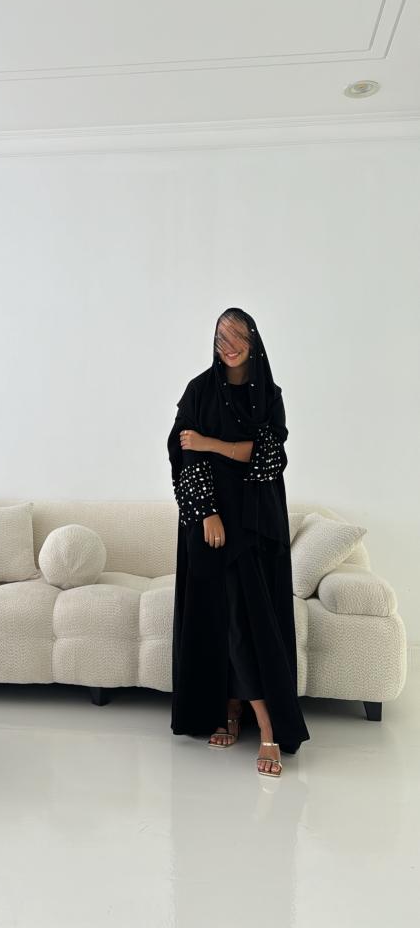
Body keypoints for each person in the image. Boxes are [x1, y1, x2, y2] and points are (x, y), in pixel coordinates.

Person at [167, 307, 310, 776]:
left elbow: (267, 457)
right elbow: (181, 453)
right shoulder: (199, 390)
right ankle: (233, 709)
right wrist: (207, 511)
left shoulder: (269, 395)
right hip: (209, 522)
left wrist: (210, 444)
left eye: (237, 337)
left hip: (255, 524)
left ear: (253, 341)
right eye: (221, 338)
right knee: (220, 616)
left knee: (247, 619)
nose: (228, 347)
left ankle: (264, 722)